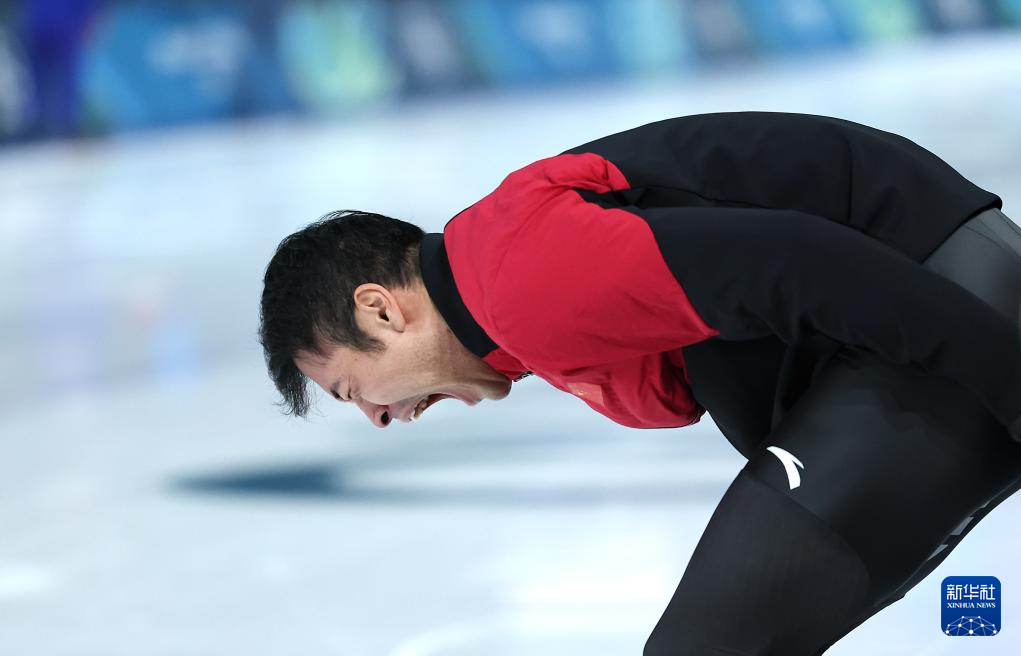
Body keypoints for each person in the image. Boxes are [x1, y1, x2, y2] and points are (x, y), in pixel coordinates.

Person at [258, 111, 1021, 654]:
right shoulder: (501, 276)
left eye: (352, 391)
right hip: (927, 304)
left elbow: (800, 261)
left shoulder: (523, 280)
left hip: (941, 300)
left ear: (380, 309)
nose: (379, 419)